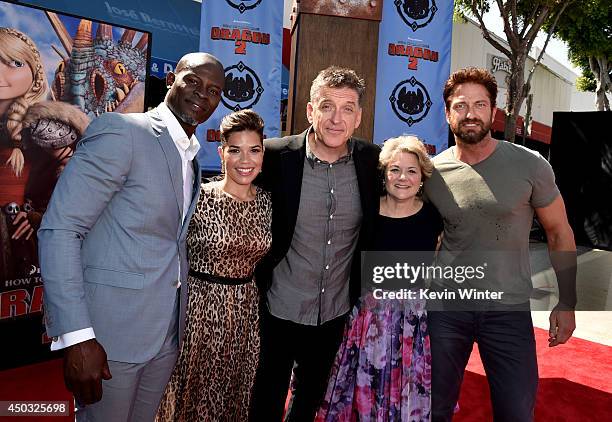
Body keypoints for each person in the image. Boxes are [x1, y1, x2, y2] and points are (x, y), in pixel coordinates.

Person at [39, 52, 225, 421]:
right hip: (109, 337)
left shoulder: (191, 156)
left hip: (164, 335)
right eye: (193, 80)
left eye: (214, 90)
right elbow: (61, 229)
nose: (202, 94)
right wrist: (77, 336)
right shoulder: (123, 131)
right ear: (171, 79)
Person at [424, 67, 577, 421]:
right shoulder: (431, 172)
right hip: (446, 311)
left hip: (507, 310)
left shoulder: (529, 164)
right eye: (460, 106)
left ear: (493, 112)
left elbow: (559, 232)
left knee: (516, 411)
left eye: (480, 104)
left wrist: (567, 300)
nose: (470, 113)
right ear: (447, 114)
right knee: (432, 408)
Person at [250, 66, 381, 421]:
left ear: (358, 118)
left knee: (308, 404)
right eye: (326, 106)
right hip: (277, 308)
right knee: (264, 401)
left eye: (347, 108)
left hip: (335, 313)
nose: (336, 119)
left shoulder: (373, 163)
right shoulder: (276, 156)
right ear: (310, 111)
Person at [156, 109, 272, 421]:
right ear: (221, 153)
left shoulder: (269, 203)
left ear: (264, 153)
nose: (244, 160)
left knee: (233, 395)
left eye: (254, 150)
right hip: (196, 310)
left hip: (246, 315)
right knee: (187, 393)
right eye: (235, 150)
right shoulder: (198, 197)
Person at [316, 136, 442, 421]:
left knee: (401, 398)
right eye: (395, 169)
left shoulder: (433, 217)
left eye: (412, 171)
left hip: (410, 324)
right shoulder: (367, 211)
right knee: (359, 396)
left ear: (422, 176)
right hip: (366, 321)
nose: (403, 178)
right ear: (384, 172)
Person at [1, 27, 88, 279]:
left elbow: (77, 183)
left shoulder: (44, 125)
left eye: (15, 63)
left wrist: (38, 217)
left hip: (23, 243)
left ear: (34, 73)